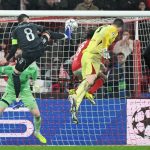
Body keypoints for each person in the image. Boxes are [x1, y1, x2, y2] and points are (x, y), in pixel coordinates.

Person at [0, 14, 67, 103]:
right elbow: (45, 30)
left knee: (15, 74)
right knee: (48, 33)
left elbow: (14, 48)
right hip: (40, 49)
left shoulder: (14, 31)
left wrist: (6, 59)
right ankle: (65, 36)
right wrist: (42, 34)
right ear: (26, 19)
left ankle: (17, 98)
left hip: (28, 55)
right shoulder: (33, 25)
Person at [69, 18, 124, 124]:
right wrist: (107, 57)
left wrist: (102, 62)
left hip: (88, 57)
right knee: (91, 80)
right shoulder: (113, 30)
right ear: (120, 28)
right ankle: (75, 94)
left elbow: (99, 43)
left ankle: (75, 107)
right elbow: (103, 46)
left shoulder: (102, 27)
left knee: (89, 81)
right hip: (92, 57)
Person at [0, 61, 47, 144]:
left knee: (37, 114)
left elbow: (34, 78)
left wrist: (34, 70)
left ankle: (37, 132)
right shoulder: (9, 69)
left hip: (25, 92)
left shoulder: (30, 69)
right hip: (11, 91)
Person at [70, 28, 106, 105]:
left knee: (89, 82)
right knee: (103, 77)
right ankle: (90, 93)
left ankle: (75, 93)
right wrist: (102, 66)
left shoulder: (83, 43)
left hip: (74, 68)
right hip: (81, 67)